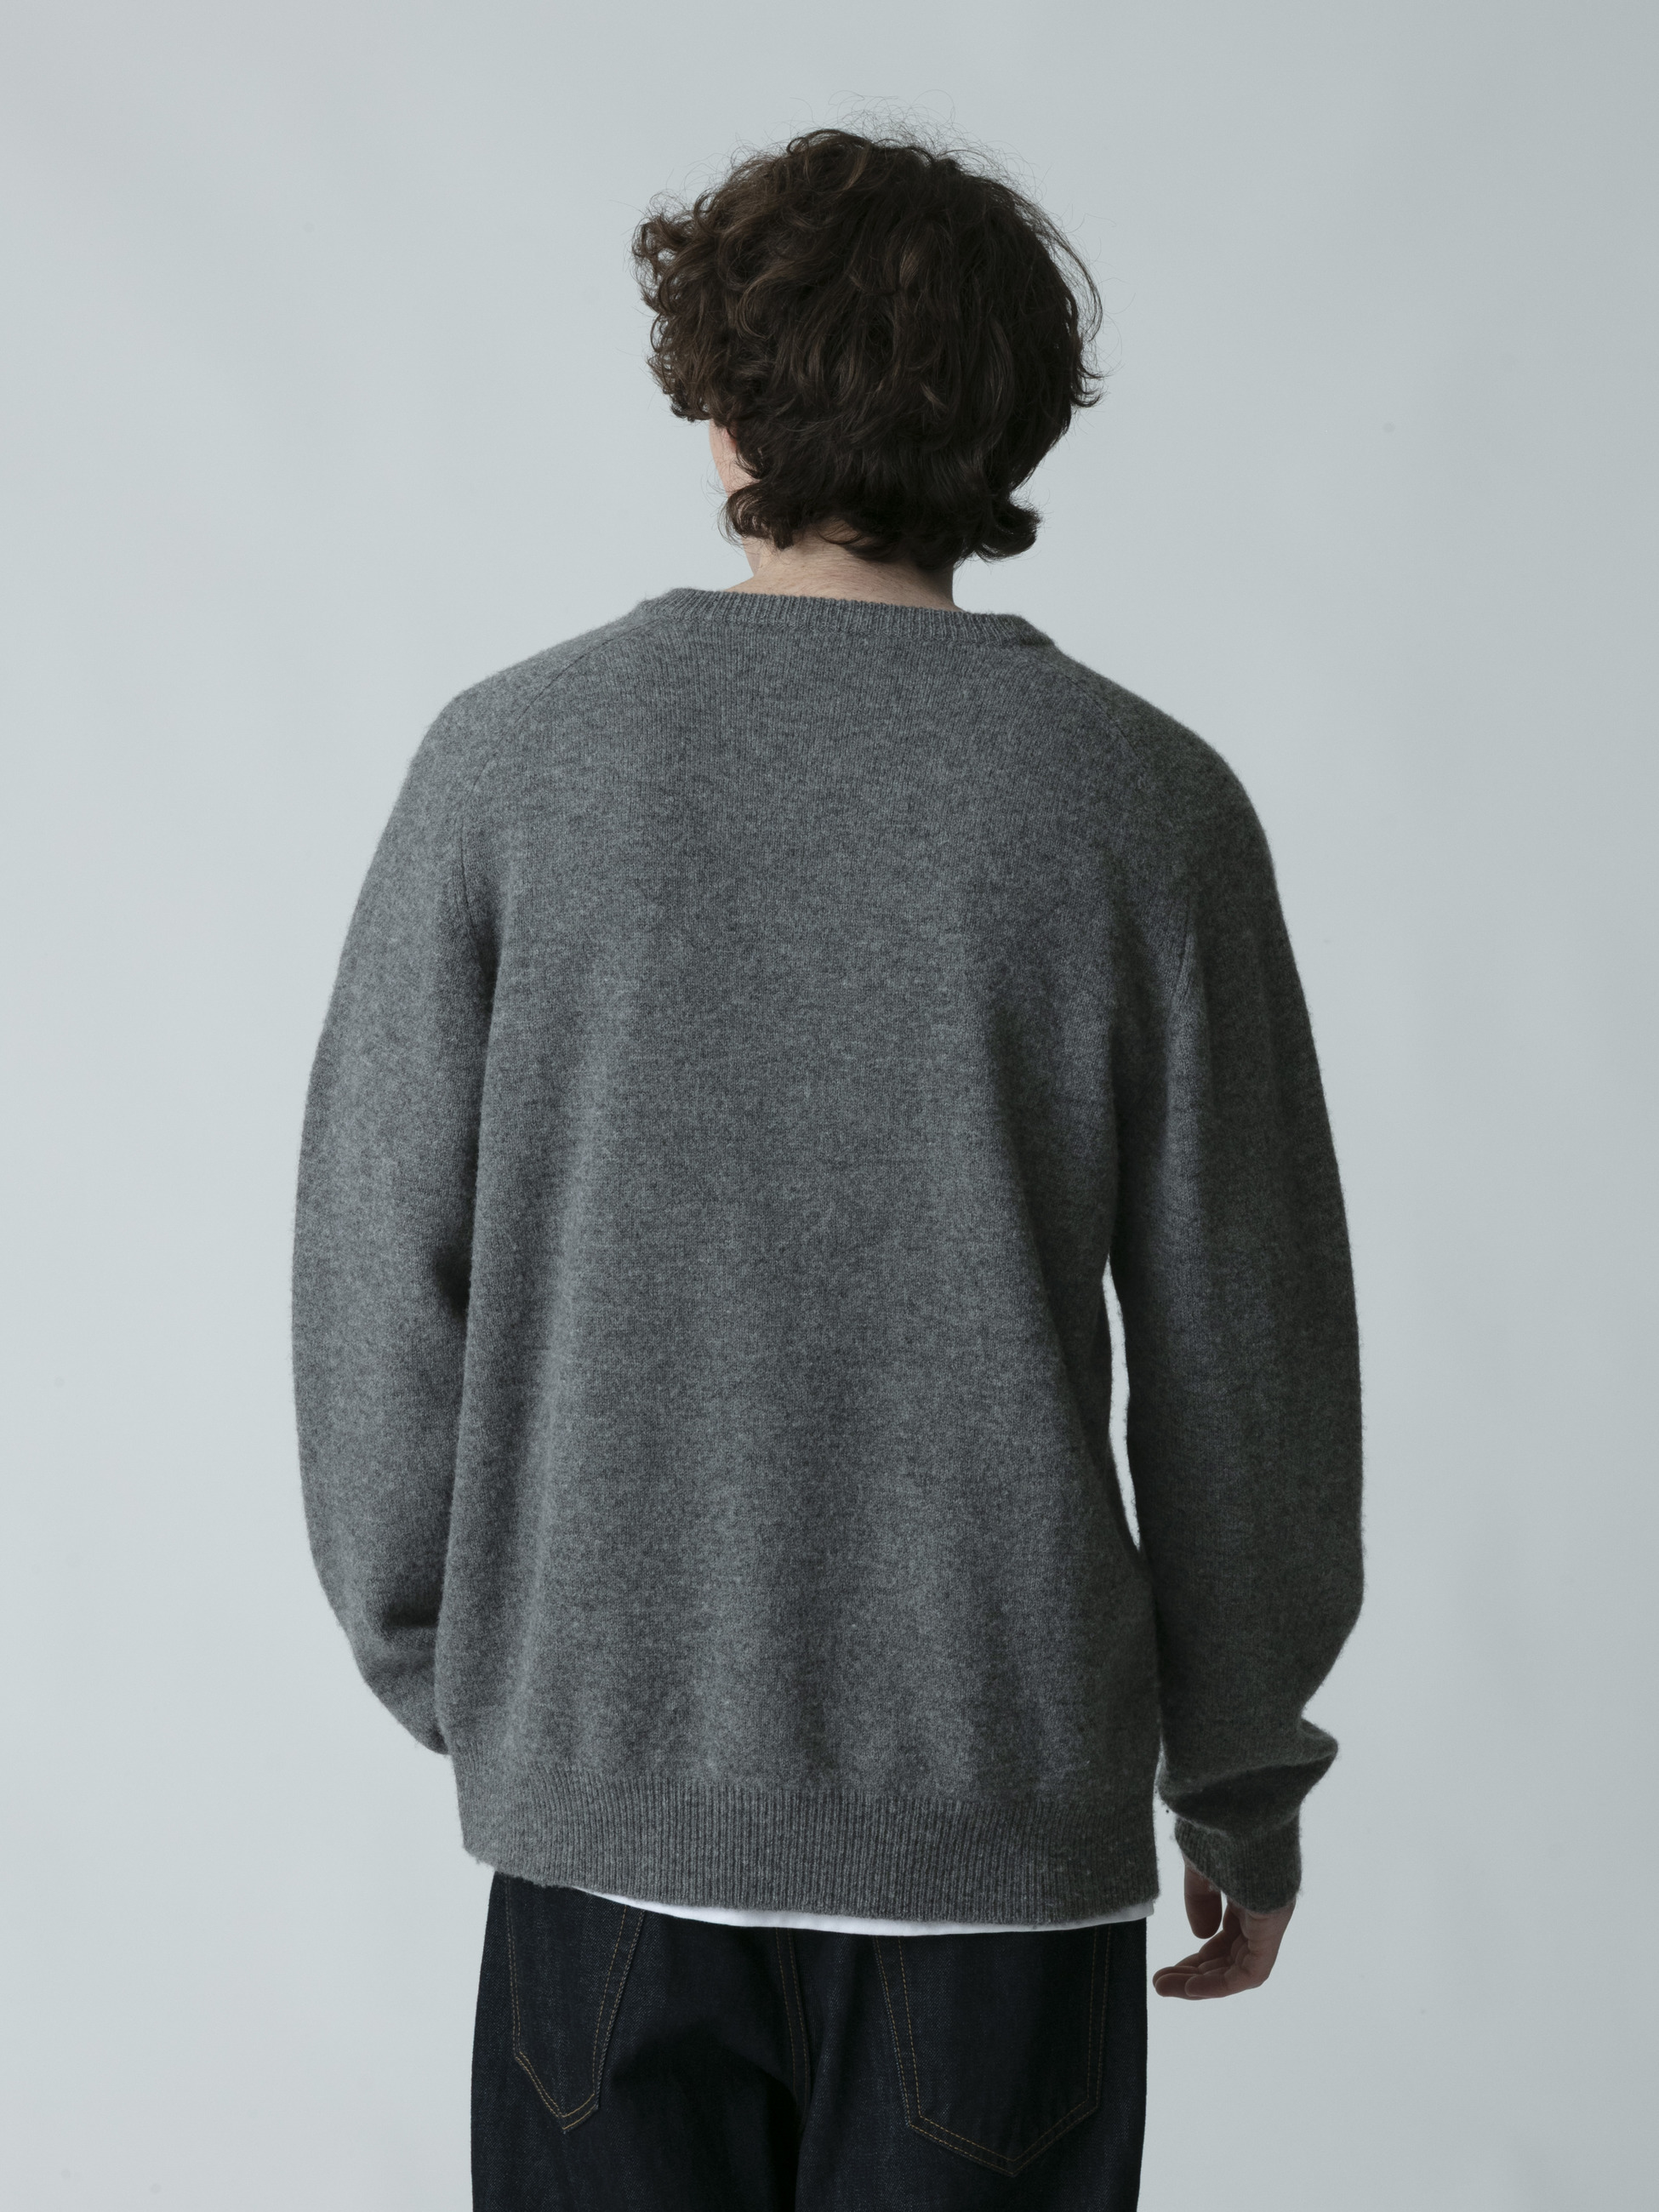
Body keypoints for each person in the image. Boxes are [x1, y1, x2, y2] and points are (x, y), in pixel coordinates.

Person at [291, 126, 1363, 2210]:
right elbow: (1250, 1363)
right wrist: (1241, 1779)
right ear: (1016, 429)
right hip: (1001, 1846)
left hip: (605, 1823)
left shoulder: (514, 766)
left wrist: (484, 1678)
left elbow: (371, 1274)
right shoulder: (1146, 809)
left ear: (718, 414)